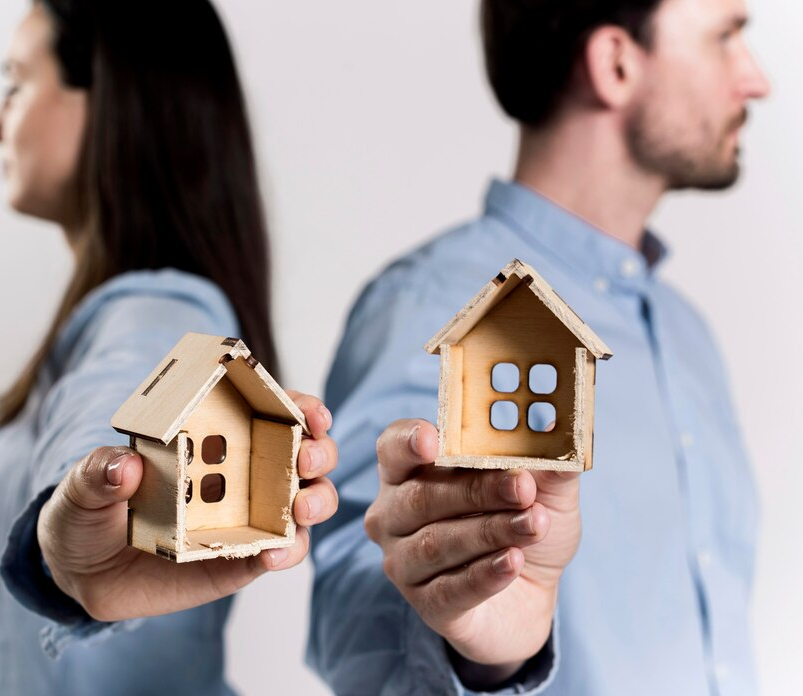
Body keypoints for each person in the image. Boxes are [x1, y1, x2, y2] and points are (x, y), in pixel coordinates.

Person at [308, 0, 769, 694]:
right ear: (615, 62)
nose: (756, 78)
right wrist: (482, 653)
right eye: (726, 36)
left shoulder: (686, 335)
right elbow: (358, 621)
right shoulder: (433, 310)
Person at [0, 2, 338, 694]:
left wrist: (75, 547)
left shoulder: (159, 315)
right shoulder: (129, 321)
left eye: (16, 83)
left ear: (113, 98)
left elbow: (115, 413)